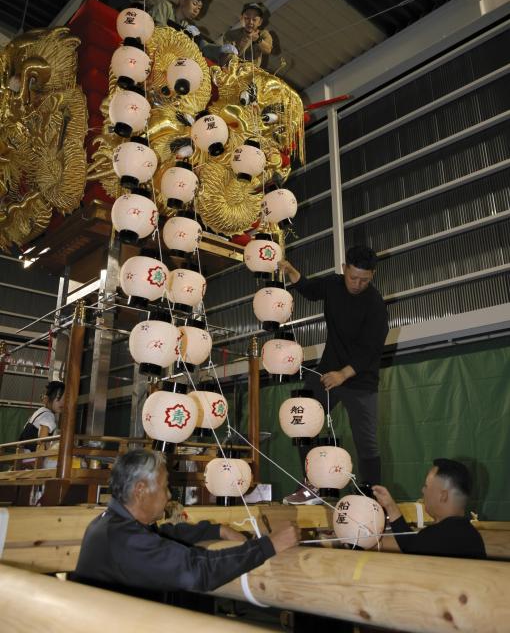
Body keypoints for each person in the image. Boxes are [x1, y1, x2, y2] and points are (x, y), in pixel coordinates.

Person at [72, 449, 299, 600]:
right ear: (140, 489)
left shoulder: (111, 524)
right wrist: (269, 545)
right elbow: (199, 570)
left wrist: (216, 529)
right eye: (164, 487)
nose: (169, 495)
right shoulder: (124, 539)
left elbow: (166, 534)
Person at [280, 245, 389, 505]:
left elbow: (371, 350)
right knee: (303, 417)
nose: (358, 284)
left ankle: (374, 499)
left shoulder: (375, 305)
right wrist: (293, 272)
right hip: (329, 371)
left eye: (365, 279)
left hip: (361, 380)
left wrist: (344, 374)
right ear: (344, 269)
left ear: (372, 275)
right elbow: (311, 289)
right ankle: (313, 485)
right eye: (353, 277)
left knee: (367, 443)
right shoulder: (333, 284)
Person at [373, 458, 486, 559]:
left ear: (443, 496)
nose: (423, 490)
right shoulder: (473, 537)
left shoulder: (436, 537)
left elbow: (413, 546)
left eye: (426, 486)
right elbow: (411, 544)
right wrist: (390, 506)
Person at [19, 381, 65, 455]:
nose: (62, 403)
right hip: (31, 457)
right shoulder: (48, 415)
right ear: (47, 399)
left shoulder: (40, 411)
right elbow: (42, 440)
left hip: (23, 454)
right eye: (58, 398)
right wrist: (41, 458)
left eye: (65, 399)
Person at [222, 2, 273, 67]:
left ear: (260, 22)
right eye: (247, 18)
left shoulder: (263, 34)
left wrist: (258, 40)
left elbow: (268, 50)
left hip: (250, 72)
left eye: (254, 20)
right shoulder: (231, 34)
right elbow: (225, 54)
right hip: (231, 67)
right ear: (241, 19)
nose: (250, 22)